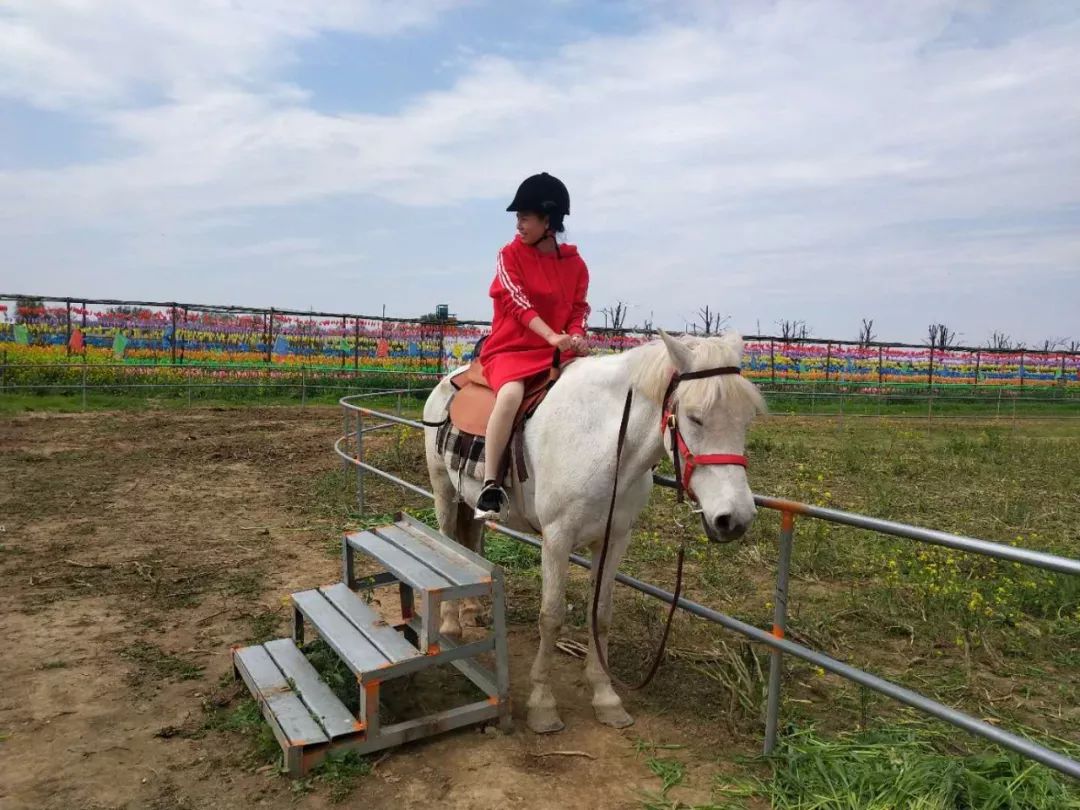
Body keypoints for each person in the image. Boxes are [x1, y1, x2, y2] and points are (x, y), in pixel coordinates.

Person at [474, 172, 591, 519]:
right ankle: (491, 483)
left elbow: (578, 309)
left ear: (548, 220)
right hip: (511, 349)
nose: (518, 224)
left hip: (556, 351)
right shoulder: (509, 256)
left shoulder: (576, 265)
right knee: (510, 396)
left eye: (525, 217)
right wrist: (552, 335)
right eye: (518, 217)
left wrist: (576, 335)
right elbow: (516, 302)